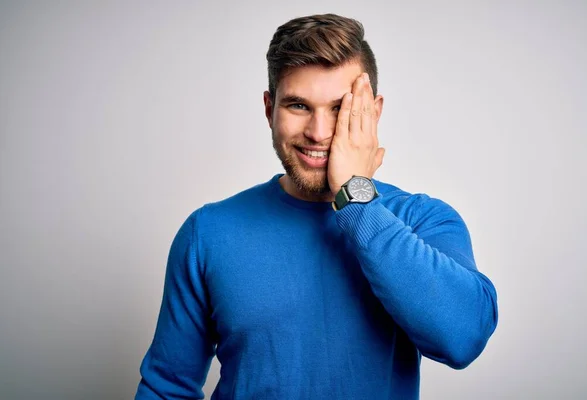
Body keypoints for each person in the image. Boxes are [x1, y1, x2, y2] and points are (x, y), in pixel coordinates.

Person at [134, 13, 498, 400]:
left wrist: (356, 198)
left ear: (372, 112)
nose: (319, 133)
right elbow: (166, 388)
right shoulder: (207, 233)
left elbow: (463, 339)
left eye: (340, 108)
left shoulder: (423, 220)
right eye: (298, 106)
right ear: (268, 108)